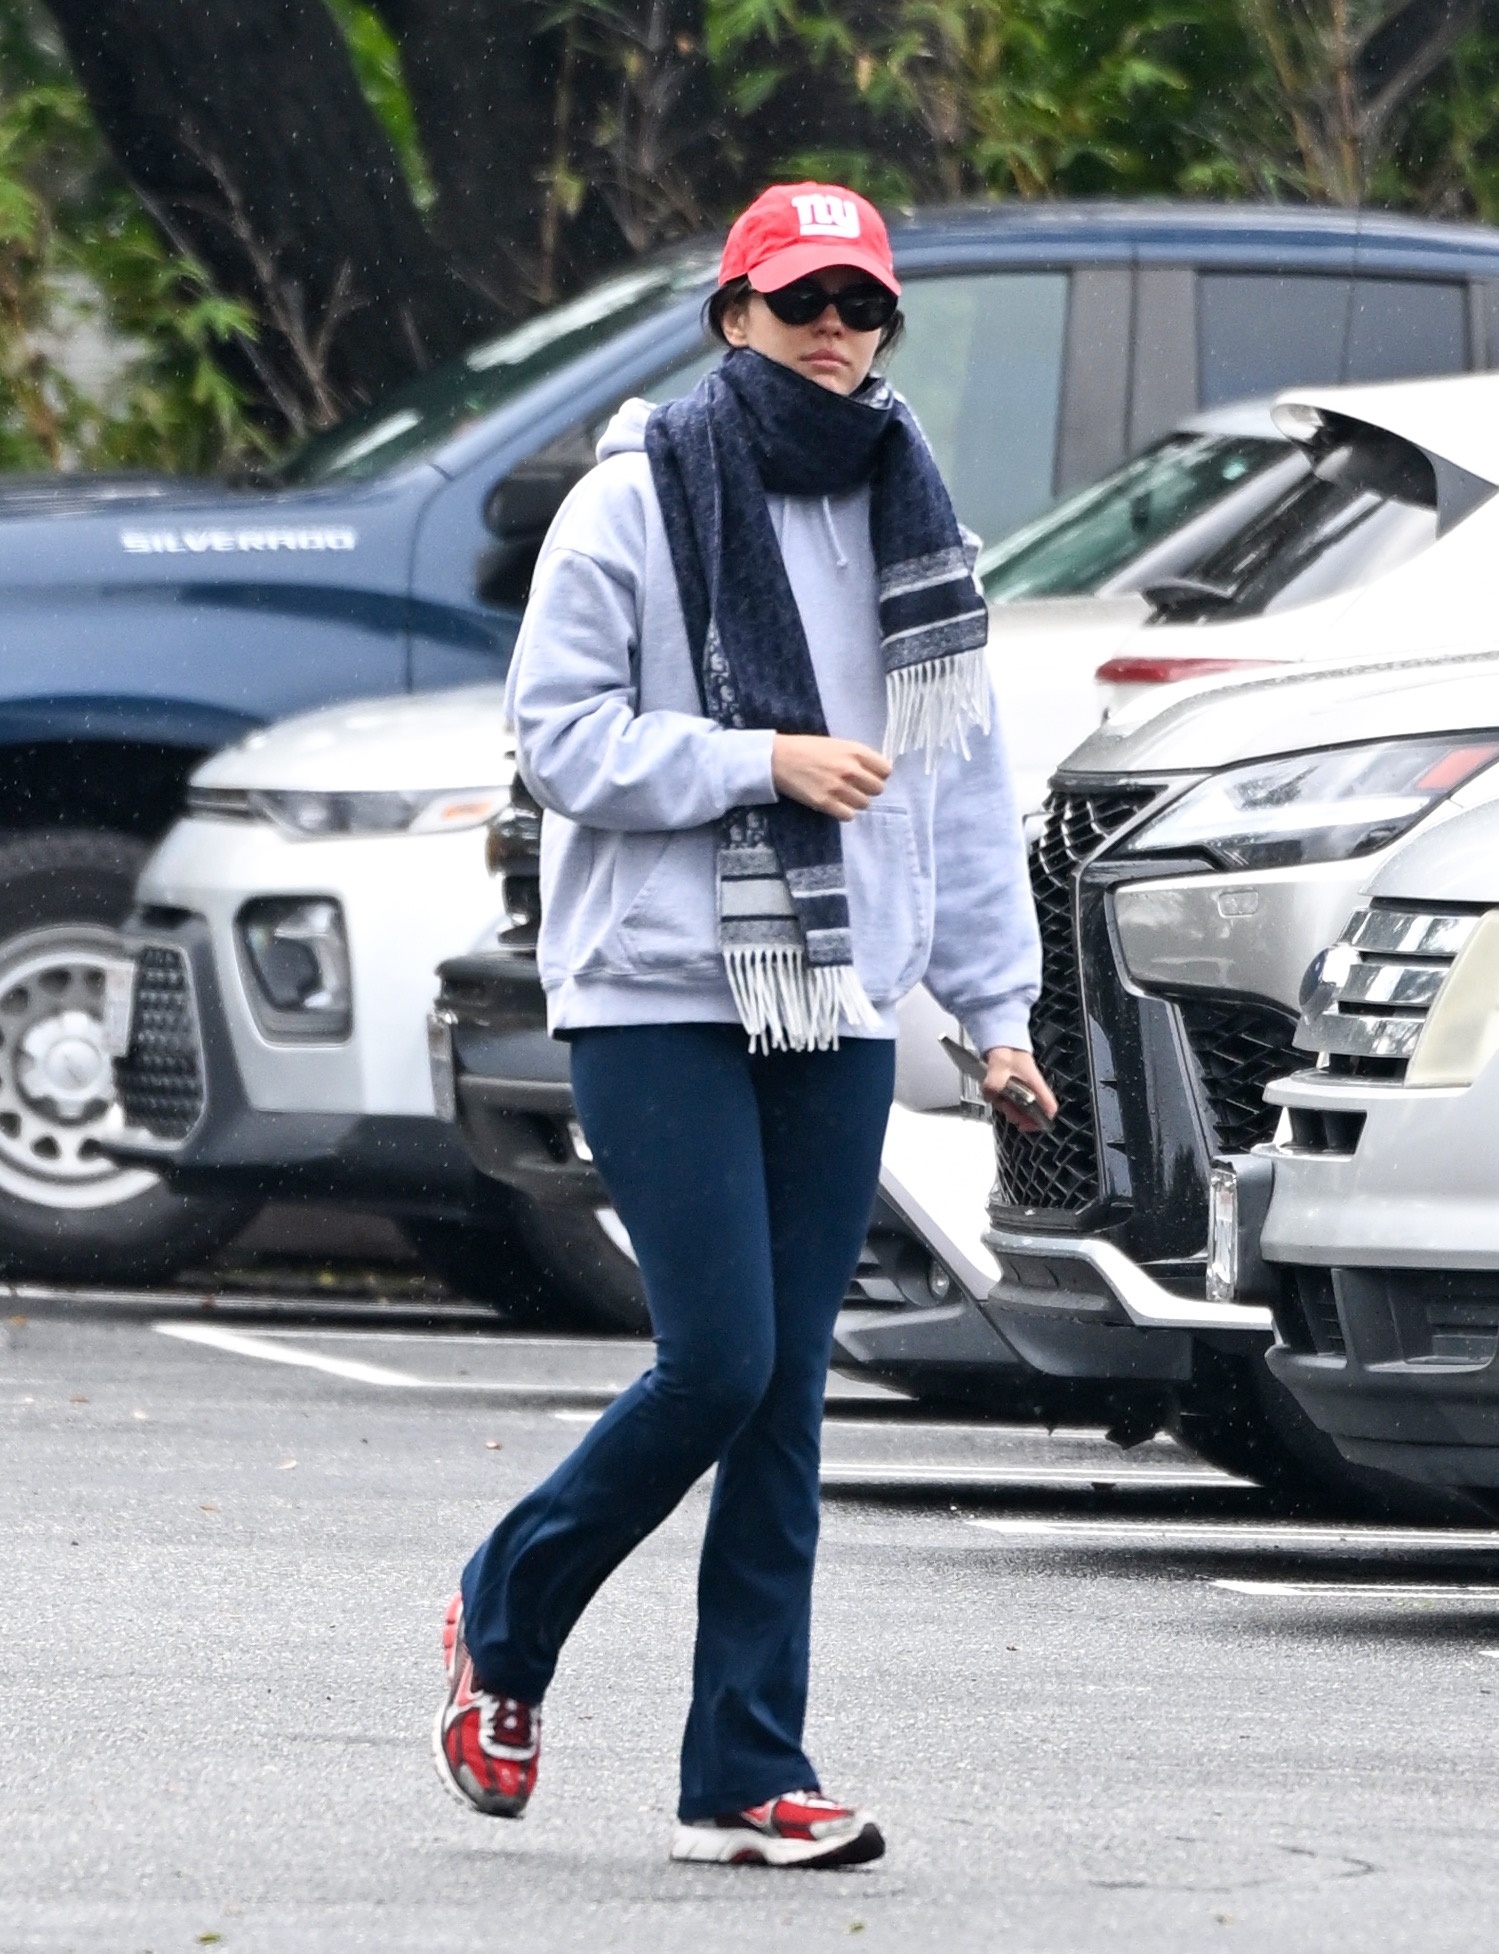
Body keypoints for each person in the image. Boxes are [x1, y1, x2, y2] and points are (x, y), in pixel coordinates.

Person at [433, 180, 1054, 1869]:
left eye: (861, 305)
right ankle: (507, 1604)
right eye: (802, 304)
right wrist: (752, 760)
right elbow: (557, 738)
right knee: (720, 1358)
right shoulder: (635, 497)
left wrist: (993, 1011)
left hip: (839, 993)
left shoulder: (922, 524)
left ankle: (746, 1765)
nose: (835, 331)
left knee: (787, 1395)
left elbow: (957, 782)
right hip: (656, 988)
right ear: (733, 318)